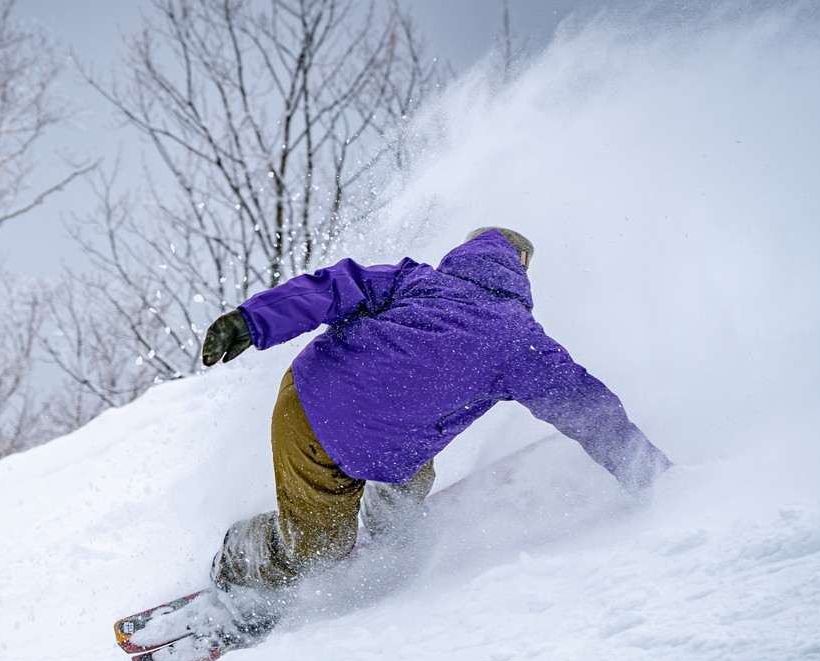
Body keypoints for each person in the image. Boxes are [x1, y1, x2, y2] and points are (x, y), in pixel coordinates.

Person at [199, 227, 671, 631]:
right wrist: (650, 474)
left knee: (406, 482)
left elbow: (329, 288)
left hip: (338, 412)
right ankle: (240, 557)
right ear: (522, 267)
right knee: (317, 556)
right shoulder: (519, 340)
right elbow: (588, 408)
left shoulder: (415, 280)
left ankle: (390, 533)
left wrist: (252, 318)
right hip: (321, 424)